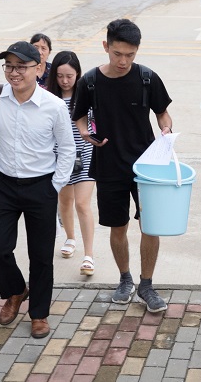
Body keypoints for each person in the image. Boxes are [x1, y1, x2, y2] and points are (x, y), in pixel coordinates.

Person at [0, 41, 75, 339]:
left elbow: (67, 149)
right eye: (9, 66)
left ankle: (39, 313)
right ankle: (16, 290)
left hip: (42, 186)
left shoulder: (53, 106)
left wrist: (55, 185)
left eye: (21, 67)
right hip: (2, 183)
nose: (14, 73)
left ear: (38, 69)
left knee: (41, 256)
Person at [72, 19, 173, 313]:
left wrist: (166, 129)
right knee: (118, 227)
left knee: (150, 226)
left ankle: (147, 284)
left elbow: (163, 113)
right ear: (106, 46)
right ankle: (125, 279)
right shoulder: (90, 81)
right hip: (109, 166)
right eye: (118, 54)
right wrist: (85, 133)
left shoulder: (147, 78)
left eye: (130, 54)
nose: (123, 61)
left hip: (146, 168)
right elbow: (79, 116)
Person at [47, 51, 96, 276]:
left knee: (82, 204)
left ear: (78, 74)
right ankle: (70, 237)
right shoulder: (48, 98)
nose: (65, 81)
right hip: (59, 158)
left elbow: (97, 122)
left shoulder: (87, 95)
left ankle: (89, 256)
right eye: (60, 76)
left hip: (86, 155)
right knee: (65, 202)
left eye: (69, 76)